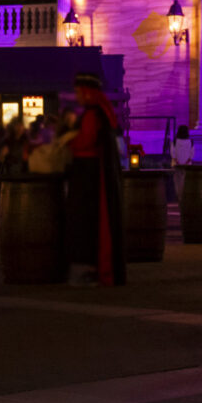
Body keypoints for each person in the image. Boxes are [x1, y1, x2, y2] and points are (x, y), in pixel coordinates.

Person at [64, 75, 128, 285]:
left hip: (89, 174)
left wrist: (68, 142)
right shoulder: (102, 112)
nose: (77, 96)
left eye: (79, 92)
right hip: (94, 172)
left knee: (89, 220)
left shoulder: (93, 114)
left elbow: (86, 140)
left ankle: (94, 268)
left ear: (88, 93)